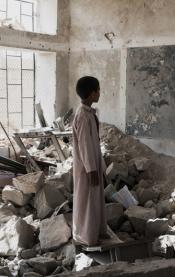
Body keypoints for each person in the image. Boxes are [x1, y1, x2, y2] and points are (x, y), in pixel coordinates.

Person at [71, 76, 108, 246]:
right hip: (87, 168)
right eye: (98, 90)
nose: (100, 93)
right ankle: (86, 236)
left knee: (95, 200)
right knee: (86, 202)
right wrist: (91, 169)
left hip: (92, 163)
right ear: (92, 93)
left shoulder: (89, 113)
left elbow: (94, 144)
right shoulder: (83, 116)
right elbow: (85, 144)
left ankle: (97, 231)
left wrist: (100, 166)